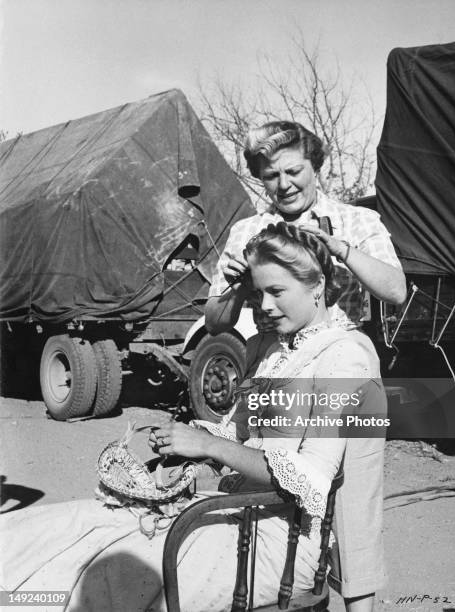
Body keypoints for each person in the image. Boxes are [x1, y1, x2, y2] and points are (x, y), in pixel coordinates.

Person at [0, 224, 386, 612]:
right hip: (234, 508)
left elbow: (313, 482)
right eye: (258, 293)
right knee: (72, 526)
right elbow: (236, 435)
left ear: (317, 286)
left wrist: (207, 445)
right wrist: (186, 440)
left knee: (110, 573)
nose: (265, 306)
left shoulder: (346, 356)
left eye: (277, 291)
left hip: (279, 541)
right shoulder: (267, 347)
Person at [205, 120, 406, 347]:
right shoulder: (245, 231)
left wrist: (341, 250)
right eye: (271, 176)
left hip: (341, 352)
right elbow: (214, 325)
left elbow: (396, 292)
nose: (284, 185)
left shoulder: (358, 220)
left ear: (315, 166)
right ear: (260, 177)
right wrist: (238, 288)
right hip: (272, 356)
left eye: (293, 171)